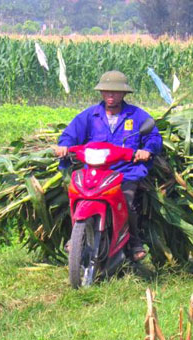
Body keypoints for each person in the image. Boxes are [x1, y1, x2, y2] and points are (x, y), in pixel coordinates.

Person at [55, 70, 162, 262]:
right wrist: (64, 146)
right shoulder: (90, 115)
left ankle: (134, 242)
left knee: (126, 201)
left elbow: (153, 137)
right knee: (74, 196)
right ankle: (75, 237)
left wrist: (147, 150)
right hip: (95, 172)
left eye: (115, 92)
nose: (110, 96)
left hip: (125, 173)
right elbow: (71, 133)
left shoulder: (136, 116)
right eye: (106, 91)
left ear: (124, 94)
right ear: (101, 93)